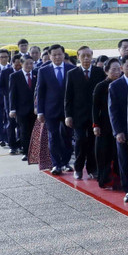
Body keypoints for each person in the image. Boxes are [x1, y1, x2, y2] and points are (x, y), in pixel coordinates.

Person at [64, 46, 105, 180]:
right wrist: (68, 115)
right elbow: (68, 96)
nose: (86, 58)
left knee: (94, 142)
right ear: (78, 57)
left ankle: (92, 168)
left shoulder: (99, 72)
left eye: (88, 55)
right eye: (83, 56)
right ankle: (78, 168)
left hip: (95, 115)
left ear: (92, 56)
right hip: (78, 115)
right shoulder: (72, 73)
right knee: (80, 141)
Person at [36, 44, 75, 175]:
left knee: (67, 137)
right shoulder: (44, 70)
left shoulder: (72, 69)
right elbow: (40, 92)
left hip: (68, 111)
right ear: (50, 56)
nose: (57, 57)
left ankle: (66, 162)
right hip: (50, 110)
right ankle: (56, 164)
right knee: (53, 137)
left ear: (64, 55)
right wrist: (40, 111)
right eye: (54, 55)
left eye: (59, 54)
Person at [108, 55, 128, 203]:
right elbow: (112, 110)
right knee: (125, 162)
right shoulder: (115, 86)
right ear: (122, 68)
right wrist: (117, 131)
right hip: (123, 131)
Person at [93, 58, 122, 190]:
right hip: (104, 124)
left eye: (118, 69)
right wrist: (96, 125)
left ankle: (120, 180)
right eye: (113, 69)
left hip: (119, 123)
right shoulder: (101, 86)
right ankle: (106, 179)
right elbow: (95, 107)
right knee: (105, 153)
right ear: (106, 71)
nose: (117, 72)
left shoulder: (124, 84)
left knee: (118, 154)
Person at [8, 56, 37, 161]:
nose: (29, 66)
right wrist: (12, 109)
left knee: (35, 131)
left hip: (35, 109)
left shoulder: (36, 74)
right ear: (21, 64)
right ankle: (26, 152)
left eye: (31, 63)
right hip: (21, 109)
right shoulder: (15, 76)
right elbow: (12, 94)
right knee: (24, 131)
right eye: (27, 64)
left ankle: (35, 152)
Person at [0, 53, 23, 155]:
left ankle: (21, 143)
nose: (18, 67)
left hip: (22, 103)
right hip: (10, 103)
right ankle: (12, 145)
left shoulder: (23, 72)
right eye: (16, 65)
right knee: (11, 124)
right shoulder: (5, 72)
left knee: (22, 125)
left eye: (19, 65)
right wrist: (9, 95)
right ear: (12, 63)